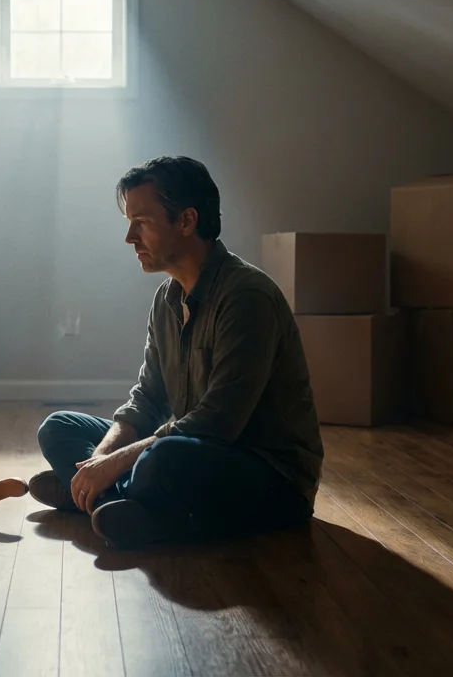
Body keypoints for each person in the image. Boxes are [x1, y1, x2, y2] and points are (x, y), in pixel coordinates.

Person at [27, 155, 324, 549]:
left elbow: (219, 423)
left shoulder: (246, 297)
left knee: (161, 460)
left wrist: (116, 463)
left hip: (267, 474)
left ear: (186, 221)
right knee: (60, 426)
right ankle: (113, 502)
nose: (130, 237)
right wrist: (96, 461)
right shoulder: (167, 298)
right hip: (192, 449)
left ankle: (103, 498)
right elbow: (147, 399)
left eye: (142, 223)